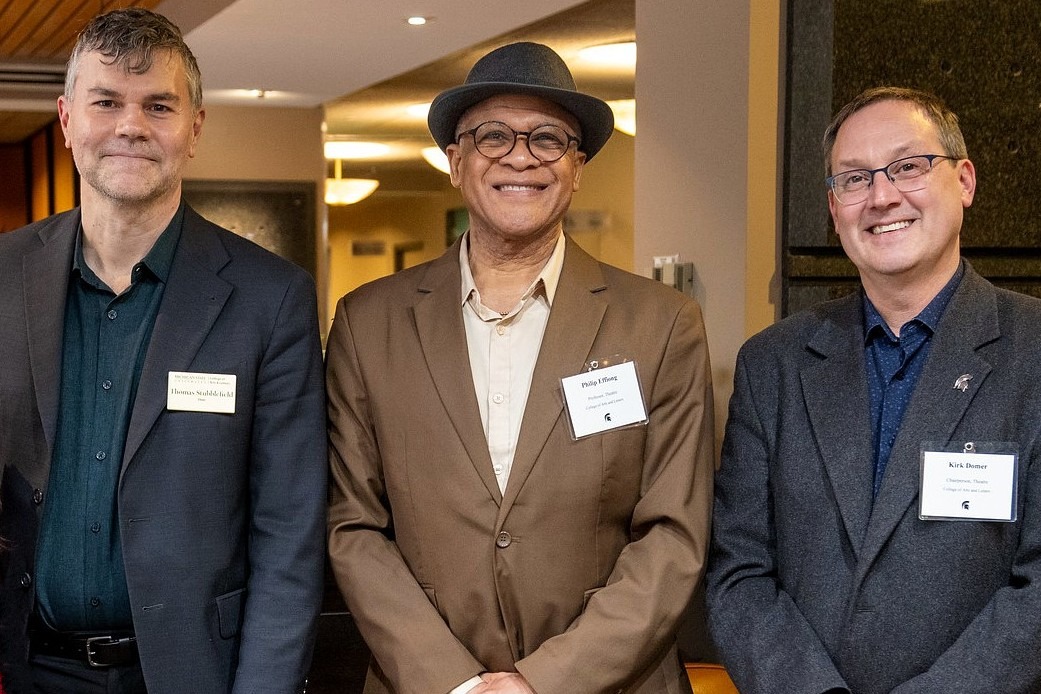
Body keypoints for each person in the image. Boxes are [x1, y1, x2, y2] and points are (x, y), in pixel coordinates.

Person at [326, 41, 715, 694]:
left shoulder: (660, 324)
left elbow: (673, 536)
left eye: (548, 139)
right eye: (493, 136)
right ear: (455, 161)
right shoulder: (368, 323)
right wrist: (453, 681)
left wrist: (544, 682)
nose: (520, 156)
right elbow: (353, 526)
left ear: (577, 165)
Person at [0, 8, 327, 693]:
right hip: (28, 669)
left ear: (194, 128)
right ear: (66, 120)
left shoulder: (271, 299)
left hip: (193, 675)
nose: (131, 126)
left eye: (158, 105)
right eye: (106, 102)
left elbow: (289, 533)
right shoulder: (5, 277)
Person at [706, 86, 1041, 693]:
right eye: (854, 180)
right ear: (834, 211)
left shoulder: (1034, 353)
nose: (882, 196)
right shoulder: (772, 365)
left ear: (964, 181)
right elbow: (740, 572)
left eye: (909, 166)